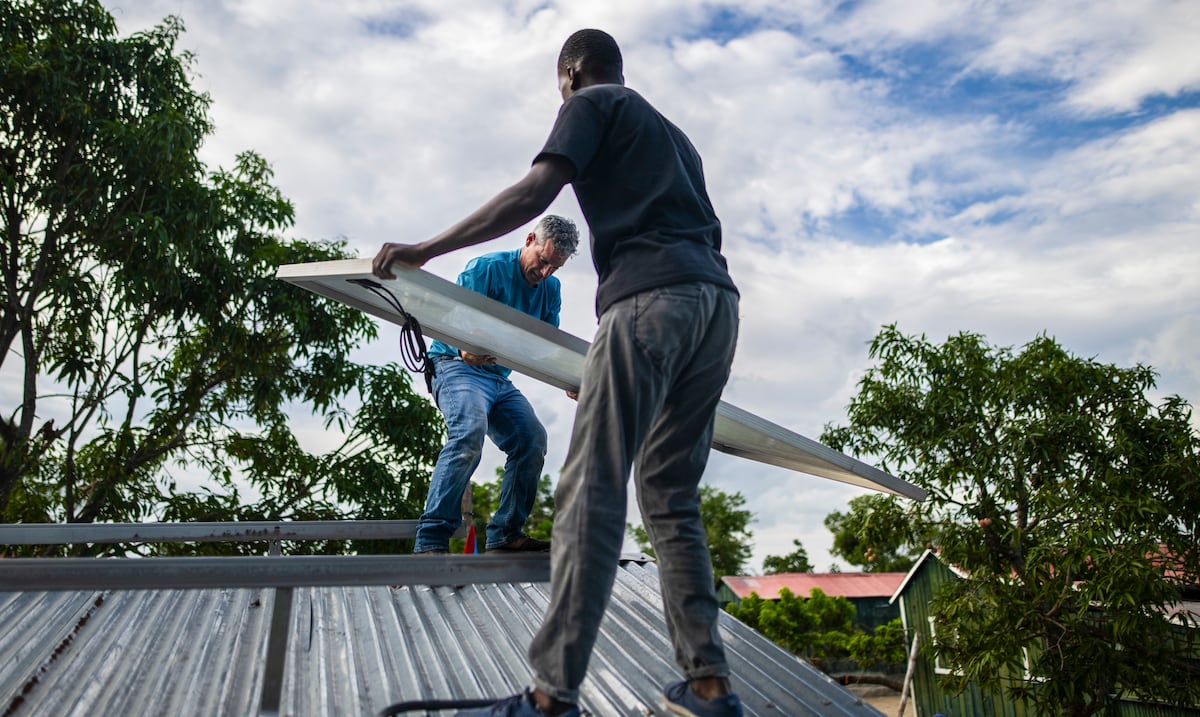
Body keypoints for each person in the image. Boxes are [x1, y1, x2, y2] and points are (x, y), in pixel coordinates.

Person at [373, 29, 743, 717]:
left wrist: (427, 246)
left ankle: (548, 696)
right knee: (669, 492)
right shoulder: (676, 137)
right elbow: (708, 238)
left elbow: (535, 190)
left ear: (568, 73)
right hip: (716, 309)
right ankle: (708, 684)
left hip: (647, 300)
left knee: (590, 489)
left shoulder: (592, 102)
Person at [411, 215, 579, 555]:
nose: (545, 273)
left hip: (497, 378)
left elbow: (547, 346)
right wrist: (463, 347)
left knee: (532, 439)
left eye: (554, 268)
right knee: (470, 430)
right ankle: (430, 541)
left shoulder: (551, 290)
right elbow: (453, 317)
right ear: (530, 239)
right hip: (454, 366)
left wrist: (570, 379)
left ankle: (505, 534)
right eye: (543, 261)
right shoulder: (485, 269)